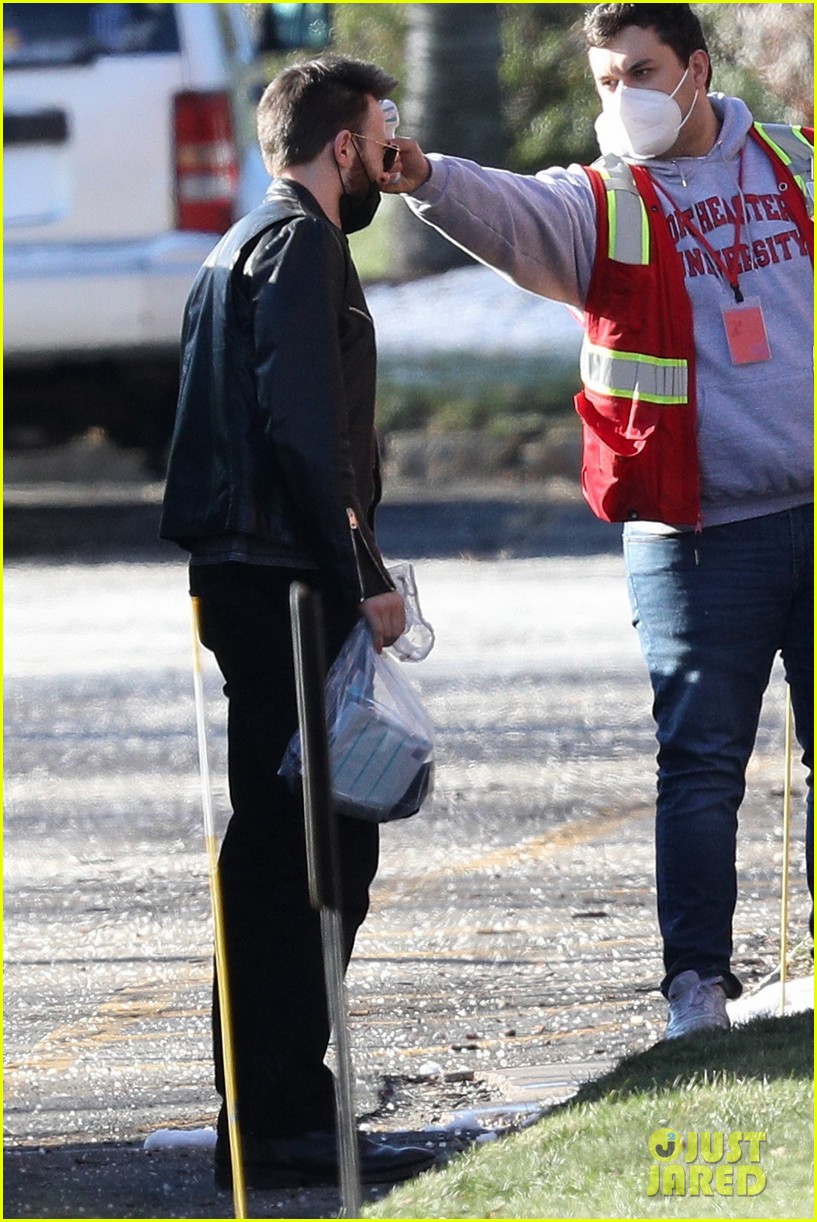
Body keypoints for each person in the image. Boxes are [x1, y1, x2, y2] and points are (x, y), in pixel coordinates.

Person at [387, 3, 813, 1040]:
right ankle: (695, 990)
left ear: (697, 71)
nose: (620, 96)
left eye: (639, 70)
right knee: (701, 764)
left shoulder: (794, 163)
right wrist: (423, 174)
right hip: (692, 537)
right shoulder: (603, 203)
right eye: (603, 78)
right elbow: (508, 208)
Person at [160, 55, 434, 1188]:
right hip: (284, 579)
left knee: (280, 844)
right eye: (380, 136)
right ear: (339, 149)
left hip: (244, 571)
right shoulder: (306, 245)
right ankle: (277, 1119)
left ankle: (269, 1107)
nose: (386, 153)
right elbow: (302, 426)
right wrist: (360, 568)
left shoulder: (236, 241)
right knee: (318, 850)